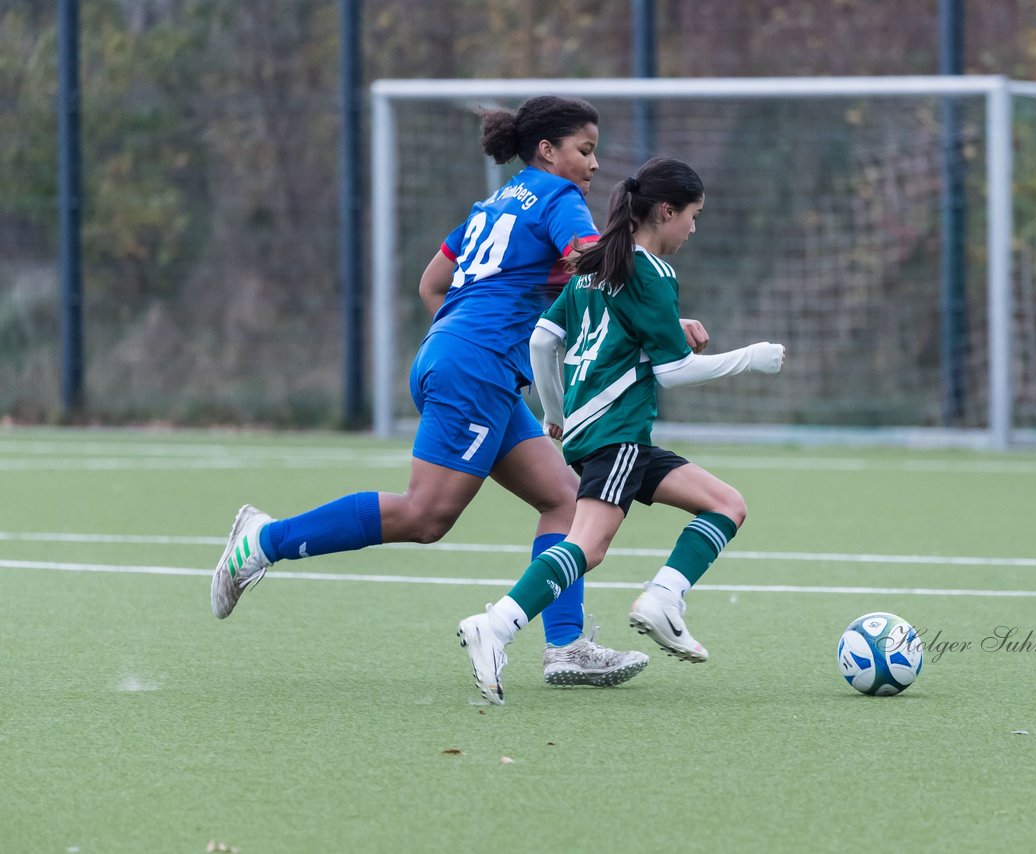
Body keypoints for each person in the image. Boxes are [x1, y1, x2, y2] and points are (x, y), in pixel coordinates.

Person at [211, 96, 707, 689]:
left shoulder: (492, 204)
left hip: (459, 359)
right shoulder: (559, 198)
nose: (594, 164)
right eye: (584, 150)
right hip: (474, 369)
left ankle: (567, 646)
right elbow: (591, 264)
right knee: (425, 515)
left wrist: (475, 336)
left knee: (565, 498)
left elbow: (432, 284)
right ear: (547, 151)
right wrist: (661, 321)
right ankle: (263, 542)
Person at [457, 156, 786, 705]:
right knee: (588, 545)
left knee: (725, 503)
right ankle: (495, 625)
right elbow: (674, 370)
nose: (693, 228)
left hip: (603, 434)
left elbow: (543, 339)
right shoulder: (650, 272)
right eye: (692, 215)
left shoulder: (596, 266)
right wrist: (750, 358)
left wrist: (555, 414)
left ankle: (664, 598)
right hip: (617, 435)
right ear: (665, 210)